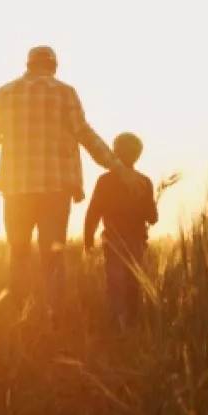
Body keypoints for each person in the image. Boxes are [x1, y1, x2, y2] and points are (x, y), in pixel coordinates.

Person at [0, 46, 144, 315]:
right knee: (52, 255)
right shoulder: (64, 92)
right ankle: (53, 319)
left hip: (15, 188)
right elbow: (85, 134)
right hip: (55, 189)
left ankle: (19, 315)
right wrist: (118, 167)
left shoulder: (6, 93)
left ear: (28, 65)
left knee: (18, 252)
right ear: (54, 67)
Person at [83, 132, 158, 328]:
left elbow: (93, 212)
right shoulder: (145, 182)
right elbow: (153, 217)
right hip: (136, 241)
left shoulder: (105, 181)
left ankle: (120, 322)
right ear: (138, 155)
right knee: (134, 282)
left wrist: (88, 239)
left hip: (113, 241)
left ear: (114, 152)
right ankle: (132, 321)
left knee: (116, 282)